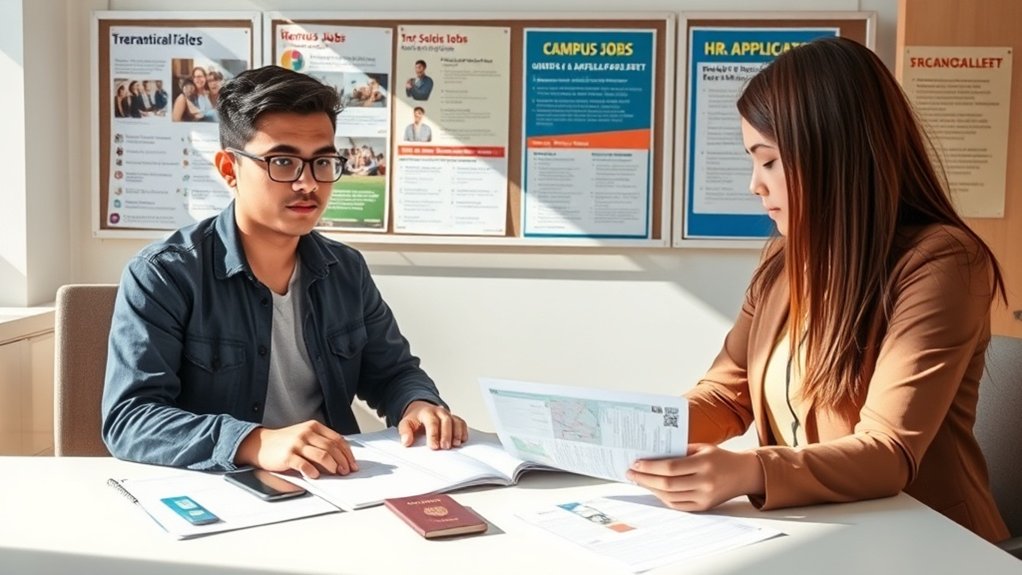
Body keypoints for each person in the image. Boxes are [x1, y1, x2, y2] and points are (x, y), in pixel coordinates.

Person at [626, 37, 1009, 544]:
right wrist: (633, 432)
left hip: (929, 541)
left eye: (768, 161)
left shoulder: (943, 261)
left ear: (832, 154)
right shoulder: (784, 260)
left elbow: (887, 450)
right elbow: (727, 393)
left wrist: (747, 471)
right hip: (817, 533)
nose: (754, 186)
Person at [102, 65, 469, 476]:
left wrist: (417, 403)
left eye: (322, 162)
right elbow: (130, 419)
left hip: (337, 483)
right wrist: (254, 441)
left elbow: (393, 372)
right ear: (229, 169)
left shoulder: (345, 270)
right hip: (225, 489)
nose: (308, 184)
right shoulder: (165, 274)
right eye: (282, 161)